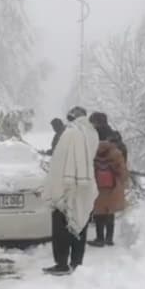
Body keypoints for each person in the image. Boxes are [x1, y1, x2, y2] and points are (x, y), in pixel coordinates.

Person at [42, 106, 100, 275]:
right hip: (86, 184)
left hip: (66, 186)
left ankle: (61, 263)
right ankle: (77, 262)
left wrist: (55, 182)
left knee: (61, 226)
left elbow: (59, 161)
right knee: (80, 222)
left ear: (72, 117)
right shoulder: (92, 133)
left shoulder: (71, 133)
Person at [88, 113, 129, 247]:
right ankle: (109, 238)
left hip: (98, 183)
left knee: (99, 210)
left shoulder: (93, 140)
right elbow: (123, 163)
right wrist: (122, 180)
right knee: (109, 210)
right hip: (113, 182)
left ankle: (99, 239)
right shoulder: (115, 142)